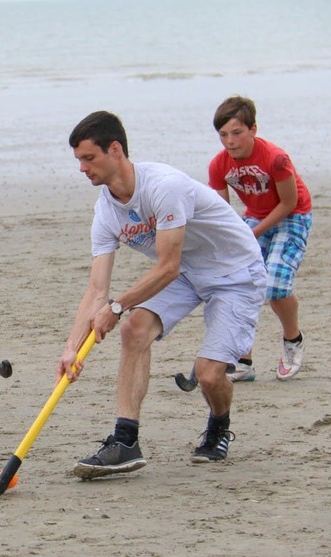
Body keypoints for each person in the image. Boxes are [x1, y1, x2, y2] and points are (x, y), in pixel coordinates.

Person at [58, 111, 266, 480]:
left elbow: (167, 266)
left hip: (235, 272)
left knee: (209, 376)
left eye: (88, 158)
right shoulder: (106, 211)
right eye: (78, 160)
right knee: (134, 329)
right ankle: (125, 441)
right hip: (187, 271)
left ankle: (219, 425)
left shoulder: (164, 187)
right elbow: (96, 289)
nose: (82, 168)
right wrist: (73, 346)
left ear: (115, 150)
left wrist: (117, 307)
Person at [208, 96, 312, 382]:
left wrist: (251, 233)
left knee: (275, 285)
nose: (230, 141)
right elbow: (222, 213)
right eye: (223, 135)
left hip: (293, 215)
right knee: (241, 284)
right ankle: (243, 361)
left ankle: (293, 341)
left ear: (253, 129)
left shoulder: (276, 159)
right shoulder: (218, 165)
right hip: (255, 217)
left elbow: (289, 203)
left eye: (237, 132)